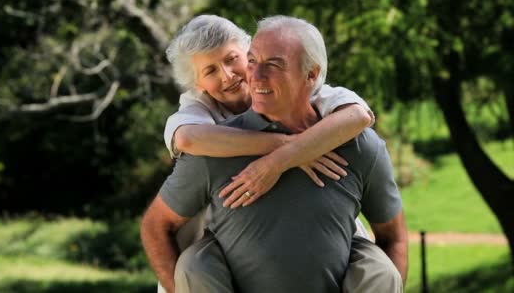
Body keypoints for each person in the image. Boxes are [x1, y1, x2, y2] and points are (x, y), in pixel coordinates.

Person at [142, 15, 407, 292]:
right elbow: (186, 138)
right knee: (193, 264)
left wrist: (285, 157)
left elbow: (359, 116)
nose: (228, 75)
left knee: (377, 269)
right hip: (216, 256)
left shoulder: (319, 98)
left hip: (330, 240)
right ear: (197, 85)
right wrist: (288, 148)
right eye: (210, 71)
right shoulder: (201, 120)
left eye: (233, 59)